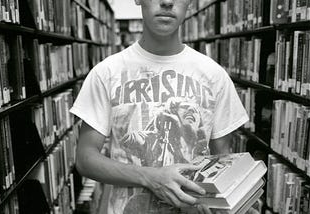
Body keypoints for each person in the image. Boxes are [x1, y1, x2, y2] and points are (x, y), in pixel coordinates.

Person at [70, 0, 249, 213]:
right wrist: (150, 177)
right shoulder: (106, 73)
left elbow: (223, 159)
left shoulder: (214, 75)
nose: (167, 2)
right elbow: (85, 158)